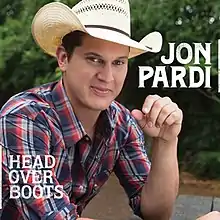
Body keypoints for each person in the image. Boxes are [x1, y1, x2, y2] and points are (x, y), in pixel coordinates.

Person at [0, 0, 183, 219]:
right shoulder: (23, 117)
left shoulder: (121, 123)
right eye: (94, 59)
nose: (107, 77)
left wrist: (166, 141)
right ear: (63, 58)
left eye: (118, 63)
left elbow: (155, 213)